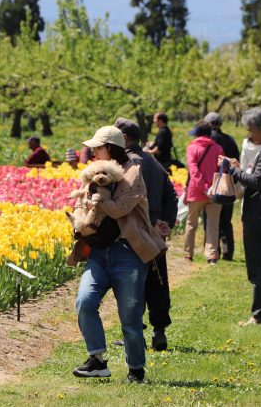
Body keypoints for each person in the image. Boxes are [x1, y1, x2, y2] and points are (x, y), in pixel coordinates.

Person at [68, 126, 167, 383]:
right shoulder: (91, 175)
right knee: (85, 301)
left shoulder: (133, 173)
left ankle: (136, 369)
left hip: (128, 253)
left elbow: (121, 208)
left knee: (130, 317)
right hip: (99, 252)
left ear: (110, 148)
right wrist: (79, 219)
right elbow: (79, 205)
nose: (92, 152)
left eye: (97, 148)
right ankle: (97, 359)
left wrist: (94, 202)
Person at [115, 117, 178, 351]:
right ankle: (159, 330)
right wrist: (167, 221)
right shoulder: (153, 162)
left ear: (123, 138)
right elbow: (171, 194)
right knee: (158, 281)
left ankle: (134, 332)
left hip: (133, 230)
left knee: (133, 283)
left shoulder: (127, 162)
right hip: (155, 229)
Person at [223, 108, 261, 325]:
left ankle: (260, 315)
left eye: (252, 131)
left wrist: (234, 171)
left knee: (258, 267)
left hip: (259, 214)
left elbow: (257, 181)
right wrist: (241, 169)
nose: (250, 135)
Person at [184, 120, 224, 264]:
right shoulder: (218, 148)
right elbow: (221, 170)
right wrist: (212, 187)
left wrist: (203, 187)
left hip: (196, 192)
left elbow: (193, 170)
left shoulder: (192, 148)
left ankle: (188, 253)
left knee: (191, 224)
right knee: (213, 225)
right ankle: (212, 256)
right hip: (215, 192)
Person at [204, 112, 240, 261]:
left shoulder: (208, 141)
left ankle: (214, 250)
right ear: (220, 124)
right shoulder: (230, 140)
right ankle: (228, 252)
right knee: (226, 220)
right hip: (229, 184)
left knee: (211, 220)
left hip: (213, 185)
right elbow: (236, 161)